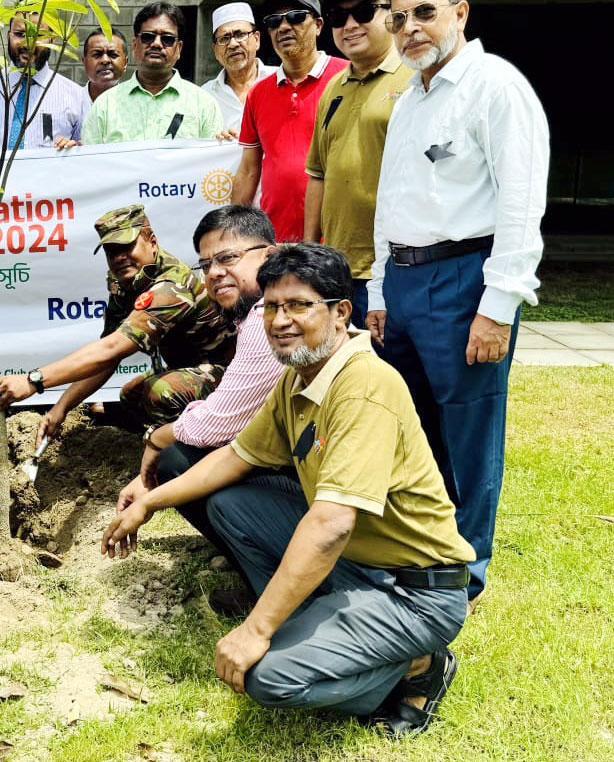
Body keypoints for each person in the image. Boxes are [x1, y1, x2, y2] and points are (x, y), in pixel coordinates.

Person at [104, 244, 473, 737]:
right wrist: (149, 499)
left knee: (263, 676)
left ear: (342, 312)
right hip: (359, 567)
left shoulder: (363, 387)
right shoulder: (301, 377)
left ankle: (418, 665)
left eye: (299, 305)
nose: (281, 320)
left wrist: (256, 630)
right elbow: (236, 457)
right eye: (272, 307)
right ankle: (317, 625)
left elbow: (330, 524)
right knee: (233, 505)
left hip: (414, 592)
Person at [367, 0, 549, 602]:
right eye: (398, 19)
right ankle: (422, 544)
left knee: (469, 427)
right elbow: (391, 200)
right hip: (405, 281)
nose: (409, 29)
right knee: (412, 425)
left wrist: (497, 306)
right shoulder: (411, 96)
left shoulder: (497, 88)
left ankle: (465, 567)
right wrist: (381, 291)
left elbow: (521, 206)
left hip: (465, 278)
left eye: (423, 13)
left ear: (460, 14)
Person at [114, 206, 280, 562]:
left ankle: (269, 575)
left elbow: (219, 423)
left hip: (330, 492)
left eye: (228, 258)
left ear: (270, 256)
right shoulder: (259, 311)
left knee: (186, 463)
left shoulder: (272, 319)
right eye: (206, 265)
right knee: (178, 451)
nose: (215, 273)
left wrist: (156, 438)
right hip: (291, 458)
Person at [0, 204, 236, 441]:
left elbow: (111, 349)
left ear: (152, 241)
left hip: (232, 376)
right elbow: (107, 355)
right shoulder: (129, 282)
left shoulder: (172, 287)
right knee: (131, 396)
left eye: (126, 246)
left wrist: (33, 381)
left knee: (160, 393)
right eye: (111, 251)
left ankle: (191, 459)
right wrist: (59, 409)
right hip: (191, 368)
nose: (119, 258)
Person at [304, 0, 410, 326]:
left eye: (363, 12)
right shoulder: (333, 88)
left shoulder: (416, 80)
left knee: (393, 374)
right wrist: (309, 252)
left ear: (392, 17)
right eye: (338, 17)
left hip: (392, 267)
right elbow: (318, 174)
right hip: (335, 267)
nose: (349, 24)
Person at [232, 0, 347, 241]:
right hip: (277, 240)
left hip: (337, 240)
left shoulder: (348, 77)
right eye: (274, 21)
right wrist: (233, 233)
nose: (283, 27)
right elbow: (249, 169)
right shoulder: (259, 93)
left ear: (318, 25)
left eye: (295, 17)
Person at [82, 3, 221, 144]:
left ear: (179, 49)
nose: (156, 44)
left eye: (167, 39)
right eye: (148, 37)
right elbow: (89, 162)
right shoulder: (105, 105)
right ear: (135, 45)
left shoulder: (203, 104)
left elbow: (212, 161)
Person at [0, 12, 90, 151]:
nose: (28, 44)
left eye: (38, 36)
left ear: (52, 39)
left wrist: (74, 149)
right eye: (20, 34)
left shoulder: (76, 96)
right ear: (9, 35)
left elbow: (84, 153)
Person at [200, 2, 274, 136]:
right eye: (224, 38)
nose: (233, 44)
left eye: (240, 35)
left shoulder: (281, 79)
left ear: (256, 40)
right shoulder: (205, 95)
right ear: (215, 51)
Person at [82, 28, 128, 106]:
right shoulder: (71, 102)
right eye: (97, 54)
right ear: (84, 62)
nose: (105, 60)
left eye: (113, 54)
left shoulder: (135, 105)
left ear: (125, 63)